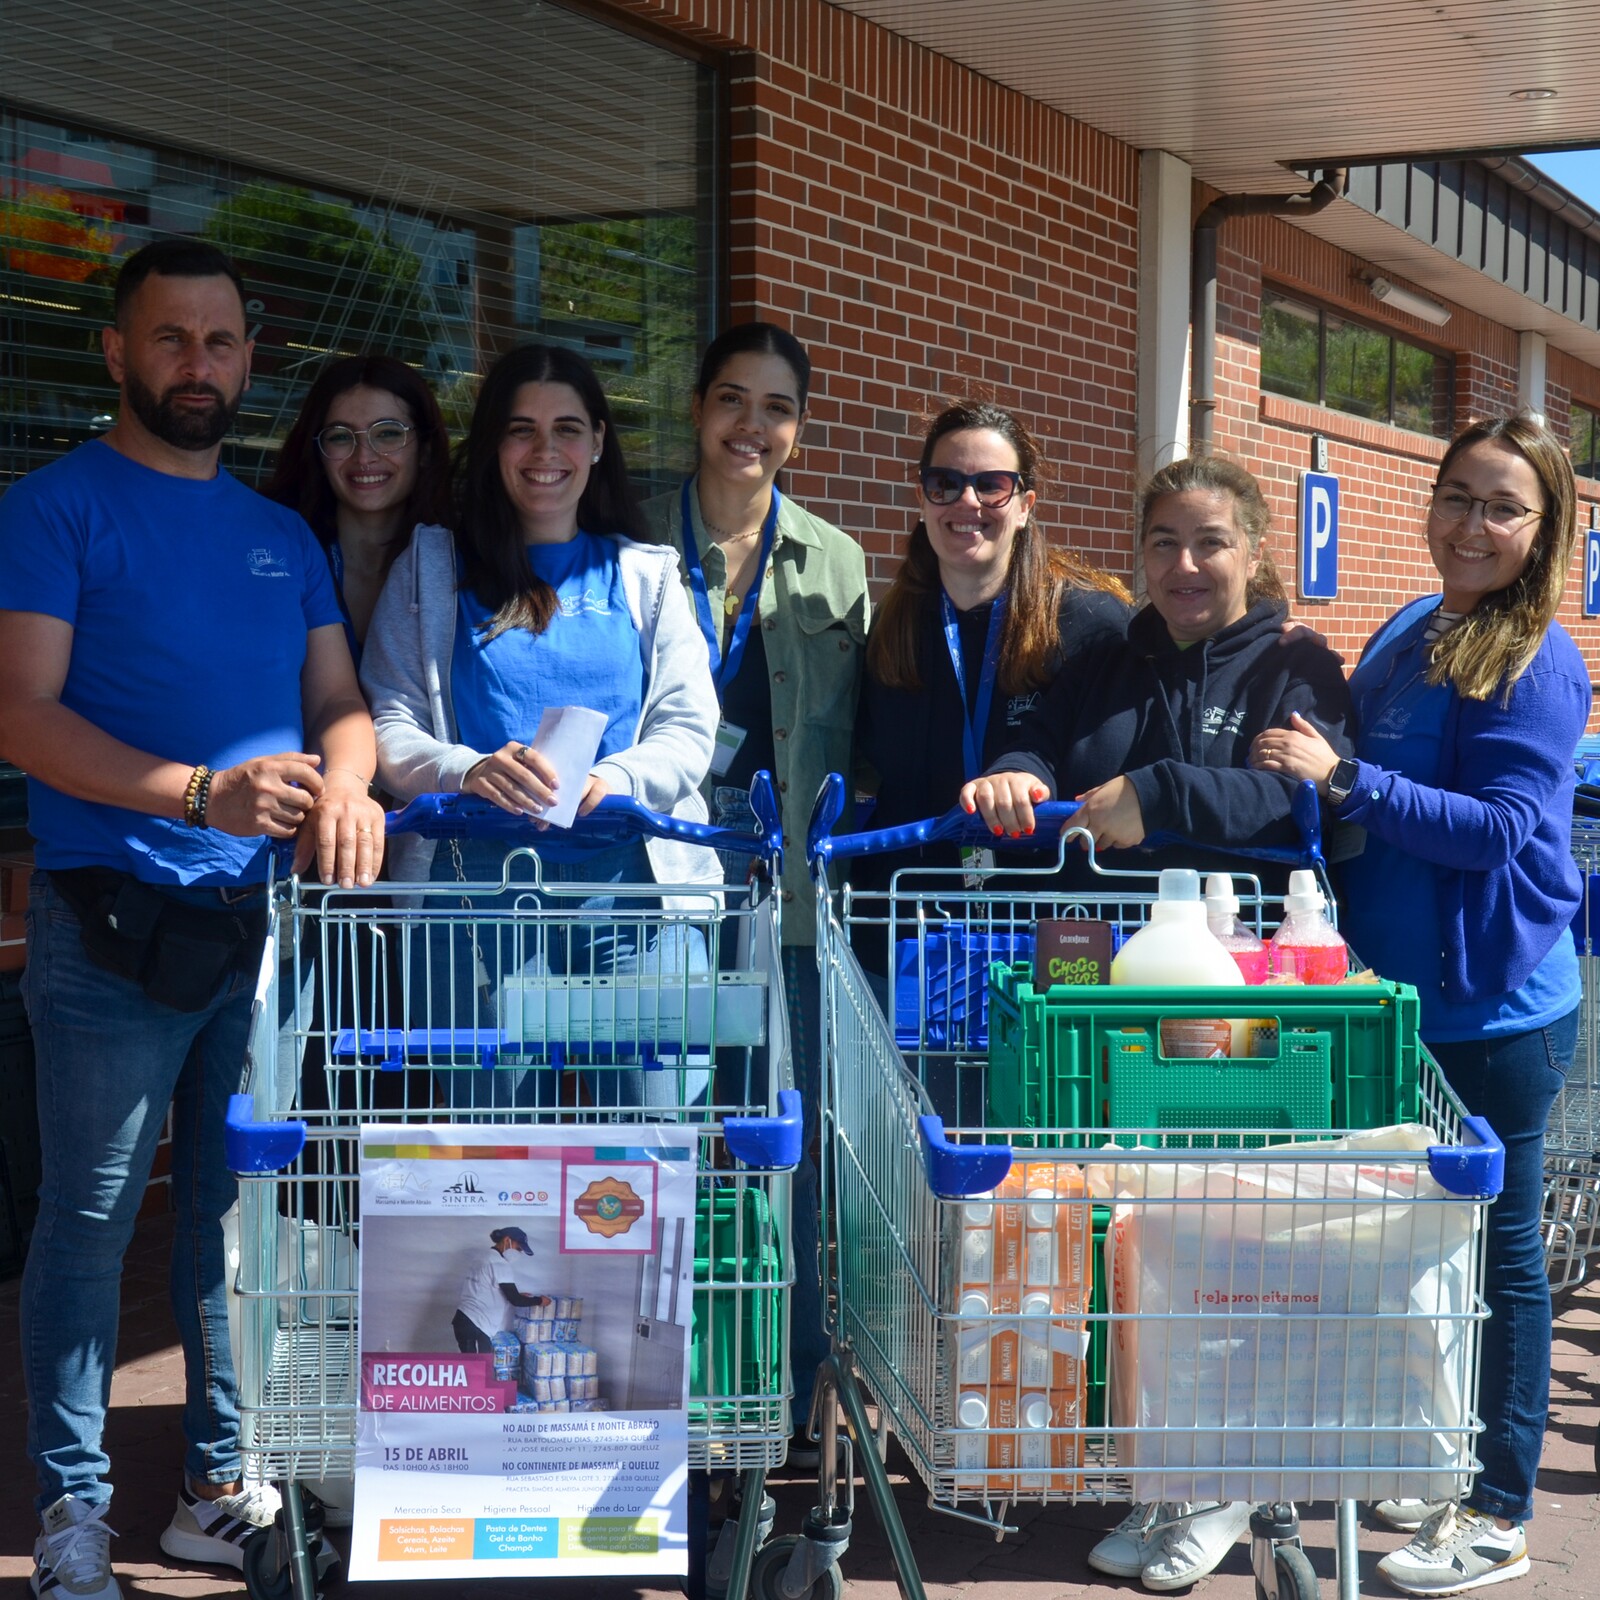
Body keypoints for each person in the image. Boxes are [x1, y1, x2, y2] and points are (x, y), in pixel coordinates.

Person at [0, 238, 385, 1599]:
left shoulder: (280, 538)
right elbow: (23, 715)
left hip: (255, 935)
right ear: (117, 352)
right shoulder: (54, 509)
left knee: (230, 1222)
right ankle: (72, 1511)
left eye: (221, 343)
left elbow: (341, 706)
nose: (199, 366)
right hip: (105, 928)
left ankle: (215, 1487)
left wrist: (349, 791)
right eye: (171, 340)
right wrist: (202, 790)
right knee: (90, 1223)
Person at [964, 454, 1354, 1593]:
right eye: (1163, 543)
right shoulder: (1110, 650)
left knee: (1212, 1239)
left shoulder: (1295, 665)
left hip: (1229, 999)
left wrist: (1162, 792)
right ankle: (1163, 1469)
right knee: (1130, 1236)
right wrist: (1012, 770)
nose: (1184, 566)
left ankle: (1220, 1478)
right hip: (1109, 994)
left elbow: (1300, 798)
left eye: (1210, 542)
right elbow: (1047, 743)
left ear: (1254, 549)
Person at [1250, 414, 1587, 1596]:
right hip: (1392, 1003)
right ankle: (1441, 1456)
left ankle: (1495, 1509)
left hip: (1493, 1011)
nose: (1471, 525)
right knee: (1418, 1254)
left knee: (1499, 1263)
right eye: (1456, 497)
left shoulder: (1537, 657)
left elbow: (1497, 832)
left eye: (1502, 507)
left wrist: (1345, 778)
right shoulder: (1408, 628)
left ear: (1545, 530)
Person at [360, 342, 720, 1110]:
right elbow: (389, 719)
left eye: (566, 428)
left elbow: (689, 728)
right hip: (476, 905)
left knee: (649, 1152)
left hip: (631, 905)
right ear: (493, 446)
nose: (544, 450)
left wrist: (612, 780)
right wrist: (465, 769)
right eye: (521, 429)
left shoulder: (646, 574)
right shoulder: (431, 570)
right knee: (495, 1166)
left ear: (596, 443)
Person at [642, 322, 869, 1455]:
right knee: (662, 1143)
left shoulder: (835, 561)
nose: (751, 427)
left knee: (793, 1152)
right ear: (695, 408)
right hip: (657, 907)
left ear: (799, 426)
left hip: (785, 911)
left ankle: (790, 1403)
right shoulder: (623, 537)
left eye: (775, 408)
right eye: (731, 400)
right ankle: (671, 1403)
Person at [266, 353, 453, 660]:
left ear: (425, 450)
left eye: (388, 433)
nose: (364, 457)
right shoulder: (279, 560)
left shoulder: (462, 566)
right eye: (340, 437)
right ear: (317, 453)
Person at [454, 1228, 550, 1354]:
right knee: (478, 1368)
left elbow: (486, 1286)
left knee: (472, 1366)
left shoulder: (482, 1257)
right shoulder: (500, 1264)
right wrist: (540, 1301)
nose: (519, 1253)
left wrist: (516, 1295)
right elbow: (515, 1300)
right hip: (476, 1324)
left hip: (465, 1320)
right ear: (506, 1240)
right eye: (518, 1248)